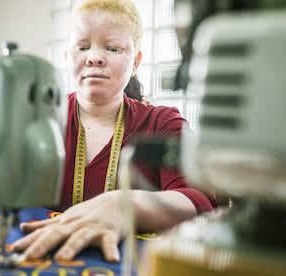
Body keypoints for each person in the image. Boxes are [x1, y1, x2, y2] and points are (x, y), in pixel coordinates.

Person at [11, 0, 217, 263]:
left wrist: (127, 205)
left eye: (112, 48)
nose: (94, 56)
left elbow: (200, 202)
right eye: (82, 47)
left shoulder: (162, 123)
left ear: (135, 61)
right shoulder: (34, 118)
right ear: (66, 56)